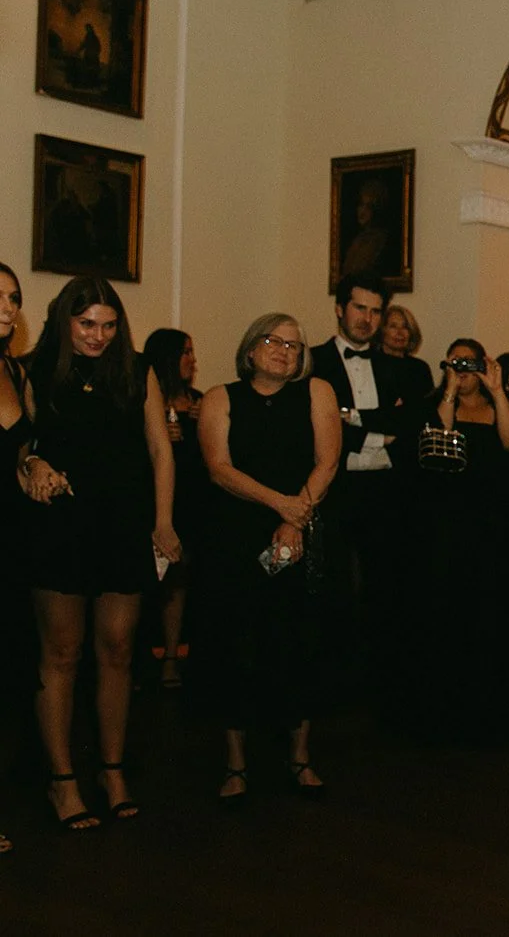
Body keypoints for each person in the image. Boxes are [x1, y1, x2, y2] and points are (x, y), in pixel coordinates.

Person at [22, 276, 182, 829]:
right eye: (87, 324)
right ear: (66, 321)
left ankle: (112, 770)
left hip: (123, 525)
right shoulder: (34, 368)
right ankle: (62, 781)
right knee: (60, 654)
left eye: (109, 326)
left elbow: (162, 450)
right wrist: (33, 466)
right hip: (60, 526)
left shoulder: (137, 370)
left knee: (117, 649)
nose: (98, 335)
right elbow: (21, 445)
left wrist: (163, 521)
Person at [196, 314, 340, 803]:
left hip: (298, 527)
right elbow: (218, 469)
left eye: (295, 346)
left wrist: (293, 519)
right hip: (236, 536)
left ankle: (300, 758)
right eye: (273, 341)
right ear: (250, 349)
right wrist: (280, 505)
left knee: (299, 638)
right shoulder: (220, 397)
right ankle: (236, 765)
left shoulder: (317, 392)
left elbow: (328, 461)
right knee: (237, 644)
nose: (284, 350)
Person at [309, 272, 420, 710]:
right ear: (340, 308)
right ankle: (333, 686)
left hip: (388, 490)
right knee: (335, 586)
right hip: (334, 487)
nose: (367, 319)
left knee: (385, 588)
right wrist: (376, 429)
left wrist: (352, 418)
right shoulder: (312, 361)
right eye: (360, 308)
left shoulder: (400, 364)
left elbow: (409, 424)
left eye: (376, 311)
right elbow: (318, 428)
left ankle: (380, 688)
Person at [405, 339, 509, 739]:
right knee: (443, 612)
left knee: (484, 614)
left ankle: (482, 712)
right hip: (443, 527)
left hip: (488, 528)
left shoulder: (495, 405)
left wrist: (496, 388)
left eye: (471, 362)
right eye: (456, 362)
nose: (464, 369)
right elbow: (437, 440)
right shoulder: (438, 403)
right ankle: (440, 711)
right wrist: (451, 390)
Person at [143, 328, 206, 689]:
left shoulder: (199, 402)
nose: (192, 360)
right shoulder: (149, 402)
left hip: (195, 506)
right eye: (185, 352)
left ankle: (173, 658)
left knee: (184, 582)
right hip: (159, 504)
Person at [0, 262, 26, 852]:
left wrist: (35, 464)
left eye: (14, 298)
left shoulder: (14, 370)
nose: (8, 308)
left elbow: (23, 450)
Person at [379, 304, 435, 406]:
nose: (400, 333)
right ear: (382, 330)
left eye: (405, 327)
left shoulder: (420, 368)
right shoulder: (372, 363)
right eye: (393, 326)